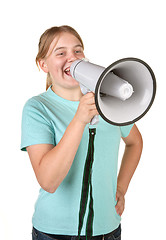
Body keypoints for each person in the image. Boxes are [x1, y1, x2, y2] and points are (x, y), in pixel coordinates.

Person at [21, 25, 143, 240]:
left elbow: (135, 142)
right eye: (61, 53)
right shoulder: (37, 108)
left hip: (108, 229)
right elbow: (48, 181)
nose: (72, 58)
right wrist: (79, 119)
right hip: (54, 233)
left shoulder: (109, 103)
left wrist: (121, 188)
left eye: (78, 51)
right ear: (43, 64)